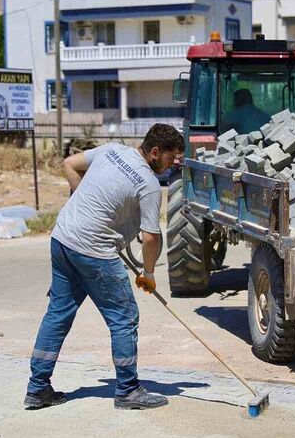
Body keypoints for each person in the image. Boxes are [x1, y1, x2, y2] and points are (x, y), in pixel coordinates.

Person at [24, 123, 184, 411]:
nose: (173, 164)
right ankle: (127, 390)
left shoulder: (111, 150)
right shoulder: (148, 184)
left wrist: (84, 201)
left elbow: (70, 163)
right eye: (170, 158)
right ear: (155, 152)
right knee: (124, 317)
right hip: (93, 251)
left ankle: (37, 389)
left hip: (62, 238)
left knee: (58, 315)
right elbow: (150, 238)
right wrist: (148, 273)